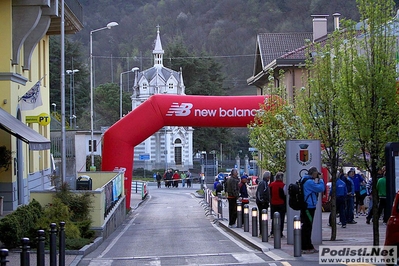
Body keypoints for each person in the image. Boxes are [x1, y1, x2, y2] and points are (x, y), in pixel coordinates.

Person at [301, 166, 325, 254]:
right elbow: (321, 188)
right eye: (316, 174)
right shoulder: (309, 182)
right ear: (313, 173)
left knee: (306, 226)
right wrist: (321, 180)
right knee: (307, 227)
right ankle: (306, 246)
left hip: (306, 206)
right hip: (309, 207)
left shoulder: (304, 179)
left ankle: (308, 245)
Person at [269, 172, 286, 237]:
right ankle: (280, 232)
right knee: (281, 219)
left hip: (273, 203)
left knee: (274, 218)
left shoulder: (271, 184)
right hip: (281, 203)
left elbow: (270, 194)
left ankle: (273, 232)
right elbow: (285, 195)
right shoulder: (283, 185)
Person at [256, 171, 270, 236]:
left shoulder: (264, 183)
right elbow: (259, 193)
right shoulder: (263, 183)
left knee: (263, 217)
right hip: (262, 203)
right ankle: (262, 232)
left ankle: (263, 231)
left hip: (263, 202)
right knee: (262, 217)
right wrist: (262, 201)